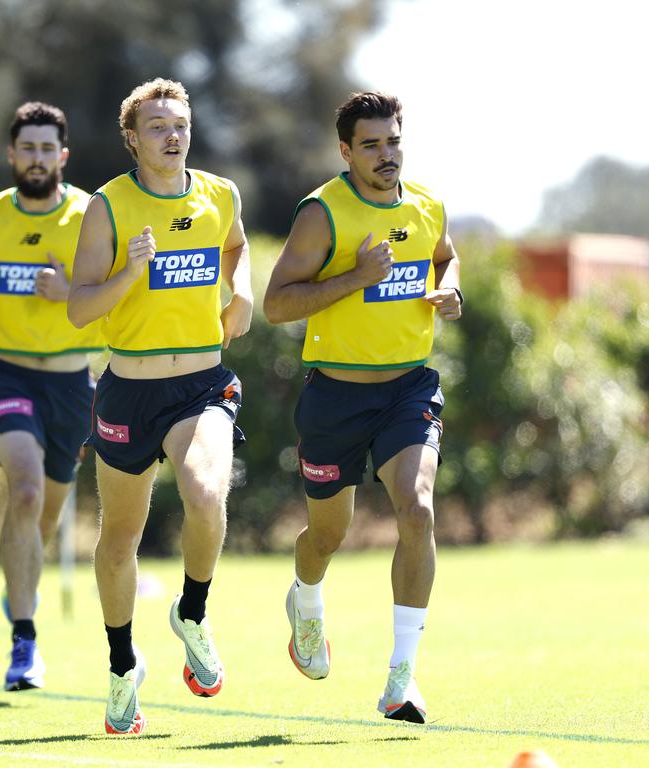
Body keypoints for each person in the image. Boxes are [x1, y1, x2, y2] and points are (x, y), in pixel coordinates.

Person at [262, 91, 463, 724]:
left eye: (393, 141)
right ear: (346, 151)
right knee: (329, 534)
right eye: (370, 145)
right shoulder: (324, 213)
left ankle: (402, 679)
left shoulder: (427, 206)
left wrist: (451, 287)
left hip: (409, 388)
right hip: (336, 397)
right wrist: (355, 276)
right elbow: (276, 305)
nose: (386, 155)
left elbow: (445, 254)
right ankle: (306, 600)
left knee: (418, 508)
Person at [67, 78, 253, 735]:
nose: (172, 135)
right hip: (127, 388)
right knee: (120, 538)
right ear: (132, 138)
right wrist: (129, 275)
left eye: (180, 124)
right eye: (156, 126)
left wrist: (243, 291)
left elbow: (235, 244)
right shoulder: (108, 207)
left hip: (201, 384)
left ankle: (192, 612)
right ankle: (122, 669)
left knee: (207, 492)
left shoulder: (219, 194)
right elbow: (80, 305)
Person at [0, 102, 105, 692]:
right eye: (27, 149)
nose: (37, 159)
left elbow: (115, 289)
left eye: (48, 150)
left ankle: (20, 584)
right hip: (10, 377)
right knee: (26, 486)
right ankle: (24, 642)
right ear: (11, 156)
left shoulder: (91, 214)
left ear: (61, 157)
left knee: (42, 517)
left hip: (72, 383)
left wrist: (69, 291)